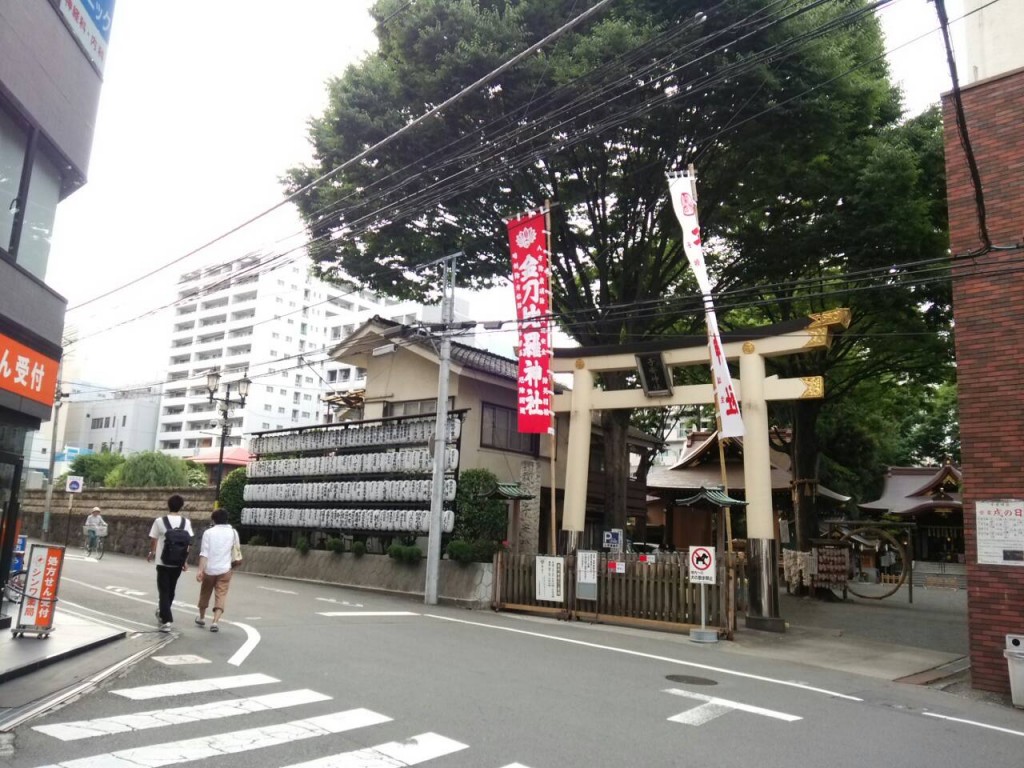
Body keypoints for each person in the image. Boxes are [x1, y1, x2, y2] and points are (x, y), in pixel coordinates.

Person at [147, 494, 193, 633]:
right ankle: (163, 613)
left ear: (168, 505)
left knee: (164, 590)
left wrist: (152, 552)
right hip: (178, 562)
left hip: (162, 561)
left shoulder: (160, 521)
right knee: (171, 590)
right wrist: (185, 560)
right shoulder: (186, 523)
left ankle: (166, 620)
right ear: (181, 506)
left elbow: (154, 539)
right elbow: (188, 544)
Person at [195, 508, 238, 633]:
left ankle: (202, 617)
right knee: (221, 595)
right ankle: (215, 622)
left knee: (205, 593)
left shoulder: (209, 533)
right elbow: (236, 550)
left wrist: (200, 570)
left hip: (210, 569)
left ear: (214, 519)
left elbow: (204, 553)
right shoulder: (233, 532)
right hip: (225, 569)